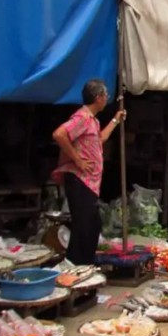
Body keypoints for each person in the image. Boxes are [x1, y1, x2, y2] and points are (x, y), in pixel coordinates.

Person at [51, 79, 126, 264]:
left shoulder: (92, 120)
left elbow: (100, 139)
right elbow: (59, 134)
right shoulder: (82, 117)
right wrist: (77, 159)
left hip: (90, 183)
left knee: (92, 226)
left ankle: (85, 265)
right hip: (79, 180)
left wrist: (116, 119)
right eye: (105, 95)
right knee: (83, 228)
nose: (107, 98)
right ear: (98, 97)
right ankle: (76, 266)